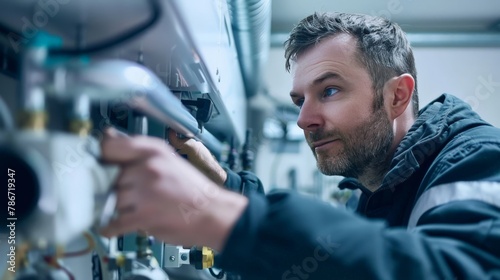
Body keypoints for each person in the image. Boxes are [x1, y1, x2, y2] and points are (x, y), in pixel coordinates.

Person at [100, 12, 500, 279]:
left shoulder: (475, 160)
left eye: (329, 90)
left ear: (396, 96)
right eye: (299, 101)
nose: (304, 120)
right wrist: (225, 185)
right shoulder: (374, 193)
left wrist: (234, 220)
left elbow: (458, 269)